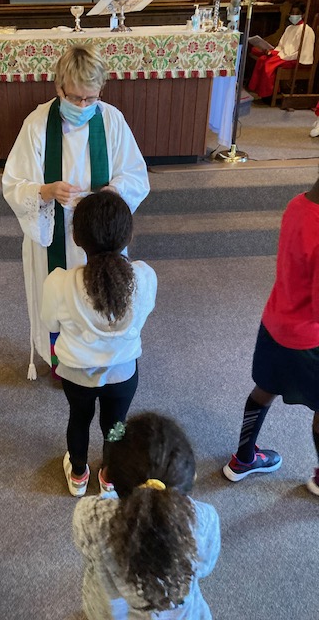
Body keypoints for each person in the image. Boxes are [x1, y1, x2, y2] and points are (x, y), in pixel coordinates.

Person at [2, 44, 149, 379]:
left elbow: (136, 175)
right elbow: (13, 183)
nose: (83, 106)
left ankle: (106, 355)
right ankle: (62, 362)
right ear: (59, 87)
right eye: (75, 98)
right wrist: (45, 191)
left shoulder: (111, 120)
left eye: (91, 98)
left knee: (101, 295)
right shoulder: (38, 123)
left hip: (100, 235)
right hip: (54, 229)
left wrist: (114, 191)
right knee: (59, 299)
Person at [40, 191, 157, 497]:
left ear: (77, 238)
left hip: (76, 373)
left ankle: (78, 475)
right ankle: (109, 475)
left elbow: (50, 324)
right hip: (122, 374)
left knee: (79, 419)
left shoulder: (59, 283)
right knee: (115, 425)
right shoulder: (144, 277)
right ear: (128, 235)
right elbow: (144, 314)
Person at [223, 175, 319, 496]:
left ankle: (243, 458)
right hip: (310, 342)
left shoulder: (296, 204)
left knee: (264, 389)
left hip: (275, 322)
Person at [72, 412, 221, 620]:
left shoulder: (89, 515)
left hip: (111, 612)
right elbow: (205, 566)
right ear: (191, 478)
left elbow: (87, 551)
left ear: (108, 476)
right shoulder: (204, 520)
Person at [248, 1, 315, 101]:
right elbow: (282, 46)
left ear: (303, 15)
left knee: (269, 64)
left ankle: (269, 94)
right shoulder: (289, 28)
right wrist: (273, 52)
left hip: (295, 59)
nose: (293, 15)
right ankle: (259, 90)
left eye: (296, 13)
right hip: (284, 54)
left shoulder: (307, 30)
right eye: (292, 13)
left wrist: (281, 56)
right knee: (262, 59)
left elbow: (303, 52)